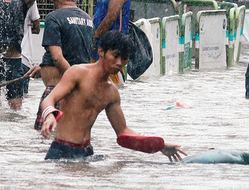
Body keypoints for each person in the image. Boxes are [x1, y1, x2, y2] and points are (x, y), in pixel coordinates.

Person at [40, 30, 186, 161]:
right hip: (62, 150)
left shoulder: (112, 92)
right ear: (101, 51)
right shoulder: (77, 73)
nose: (119, 63)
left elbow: (123, 132)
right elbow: (49, 99)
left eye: (124, 59)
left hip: (86, 152)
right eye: (115, 56)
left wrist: (159, 145)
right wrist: (50, 115)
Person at [27, 0, 94, 130]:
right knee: (72, 136)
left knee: (43, 138)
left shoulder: (53, 18)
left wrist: (74, 78)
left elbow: (57, 57)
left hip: (57, 90)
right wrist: (43, 66)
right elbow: (77, 52)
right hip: (78, 95)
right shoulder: (87, 19)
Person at [12, 0, 41, 95]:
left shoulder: (1, 0)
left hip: (6, 57)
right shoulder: (28, 1)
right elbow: (37, 27)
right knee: (20, 101)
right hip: (24, 58)